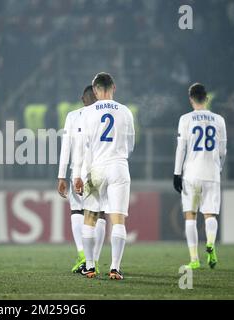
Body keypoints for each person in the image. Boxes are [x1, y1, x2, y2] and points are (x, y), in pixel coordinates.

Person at [73, 72, 135, 280]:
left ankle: (90, 266)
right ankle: (115, 268)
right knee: (117, 220)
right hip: (118, 167)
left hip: (96, 169)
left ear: (95, 89)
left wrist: (78, 176)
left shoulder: (87, 113)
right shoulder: (125, 112)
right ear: (114, 88)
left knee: (90, 217)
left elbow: (83, 147)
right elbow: (131, 144)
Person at [173, 83, 227, 269]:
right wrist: (218, 168)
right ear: (207, 98)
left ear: (190, 99)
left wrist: (177, 173)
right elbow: (222, 150)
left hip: (191, 173)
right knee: (210, 213)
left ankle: (194, 259)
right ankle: (211, 243)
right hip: (211, 171)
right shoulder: (219, 119)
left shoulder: (185, 119)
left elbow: (182, 148)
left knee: (191, 215)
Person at [57, 85, 107, 274]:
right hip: (102, 170)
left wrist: (61, 175)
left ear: (82, 98)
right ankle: (94, 259)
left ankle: (83, 255)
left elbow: (66, 147)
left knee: (77, 211)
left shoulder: (73, 116)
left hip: (77, 171)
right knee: (100, 213)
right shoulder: (106, 114)